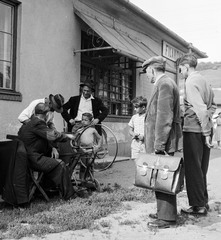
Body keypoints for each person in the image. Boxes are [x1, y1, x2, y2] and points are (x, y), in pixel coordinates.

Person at [142, 56, 182, 229]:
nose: (147, 76)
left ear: (152, 69)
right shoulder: (167, 82)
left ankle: (166, 218)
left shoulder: (164, 84)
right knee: (162, 178)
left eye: (147, 72)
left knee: (164, 177)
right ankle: (163, 213)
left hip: (163, 142)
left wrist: (159, 145)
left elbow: (164, 117)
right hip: (163, 141)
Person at [178, 54, 216, 216]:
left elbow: (200, 108)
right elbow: (212, 107)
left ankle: (197, 206)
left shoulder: (191, 81)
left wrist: (206, 132)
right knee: (201, 169)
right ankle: (203, 202)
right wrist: (207, 127)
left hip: (194, 129)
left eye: (180, 68)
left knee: (193, 169)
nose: (180, 72)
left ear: (186, 66)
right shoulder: (204, 81)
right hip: (203, 128)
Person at [18, 103, 77, 201]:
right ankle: (70, 196)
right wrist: (67, 136)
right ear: (45, 114)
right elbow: (52, 135)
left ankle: (47, 189)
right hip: (34, 159)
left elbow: (41, 139)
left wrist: (52, 147)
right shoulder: (38, 123)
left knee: (54, 160)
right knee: (60, 164)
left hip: (26, 157)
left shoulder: (29, 123)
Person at [71, 112, 102, 180]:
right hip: (83, 150)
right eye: (82, 119)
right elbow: (74, 140)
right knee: (83, 165)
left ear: (90, 121)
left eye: (86, 120)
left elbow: (99, 138)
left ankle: (91, 179)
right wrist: (76, 146)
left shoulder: (92, 130)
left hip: (91, 150)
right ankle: (82, 180)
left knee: (90, 165)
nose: (83, 121)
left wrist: (98, 146)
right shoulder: (80, 130)